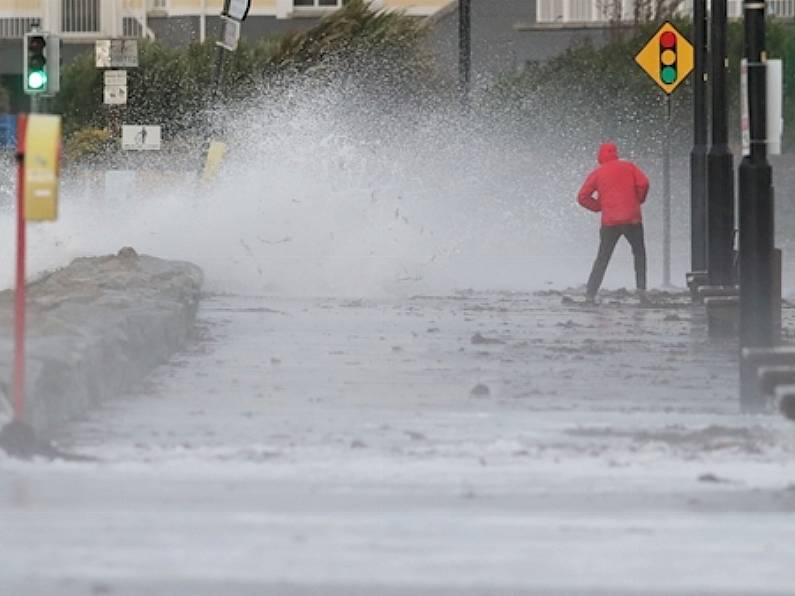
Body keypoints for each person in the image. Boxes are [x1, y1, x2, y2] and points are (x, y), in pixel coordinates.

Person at [577, 142, 650, 304]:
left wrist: (598, 207)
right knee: (639, 253)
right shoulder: (629, 167)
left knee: (603, 257)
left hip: (610, 221)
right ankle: (641, 291)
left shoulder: (598, 173)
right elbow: (643, 183)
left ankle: (590, 293)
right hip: (632, 218)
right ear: (616, 153)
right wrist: (638, 200)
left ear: (600, 156)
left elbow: (582, 196)